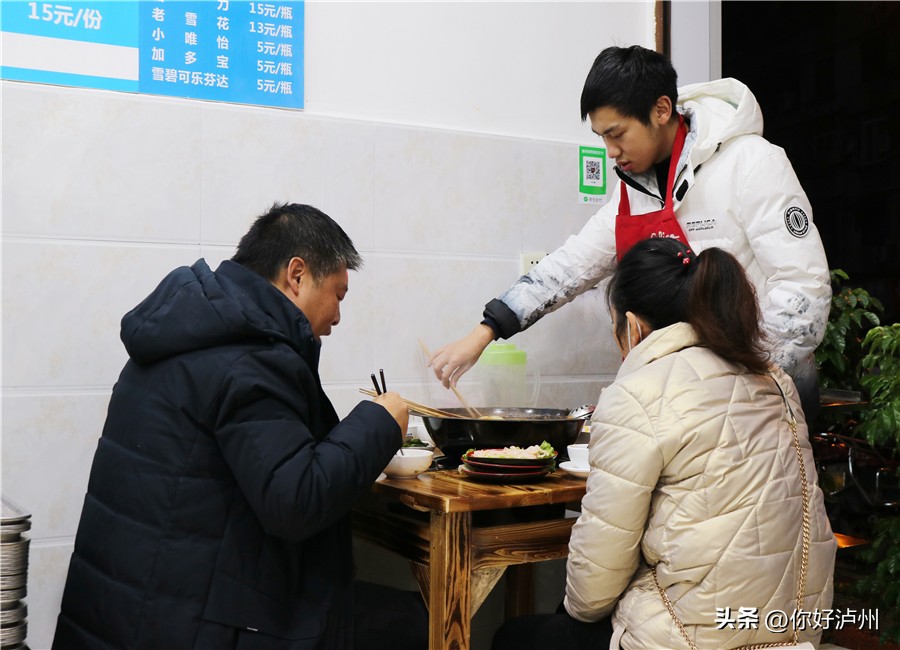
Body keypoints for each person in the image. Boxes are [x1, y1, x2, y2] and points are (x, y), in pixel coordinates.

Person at [52, 203, 427, 649]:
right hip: (189, 622)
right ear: (297, 275)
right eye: (338, 295)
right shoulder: (251, 360)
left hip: (129, 611)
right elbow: (298, 501)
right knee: (419, 623)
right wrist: (380, 422)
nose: (338, 316)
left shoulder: (188, 333)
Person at [428, 44, 831, 423]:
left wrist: (741, 383)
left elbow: (804, 289)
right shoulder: (631, 191)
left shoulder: (751, 164)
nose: (610, 151)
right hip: (684, 403)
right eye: (602, 136)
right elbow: (567, 270)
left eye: (617, 134)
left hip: (766, 398)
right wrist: (486, 332)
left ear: (661, 109)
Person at [491, 237, 837, 650]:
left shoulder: (639, 392)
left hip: (692, 639)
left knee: (517, 637)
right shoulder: (776, 380)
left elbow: (593, 590)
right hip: (796, 631)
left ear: (632, 325)